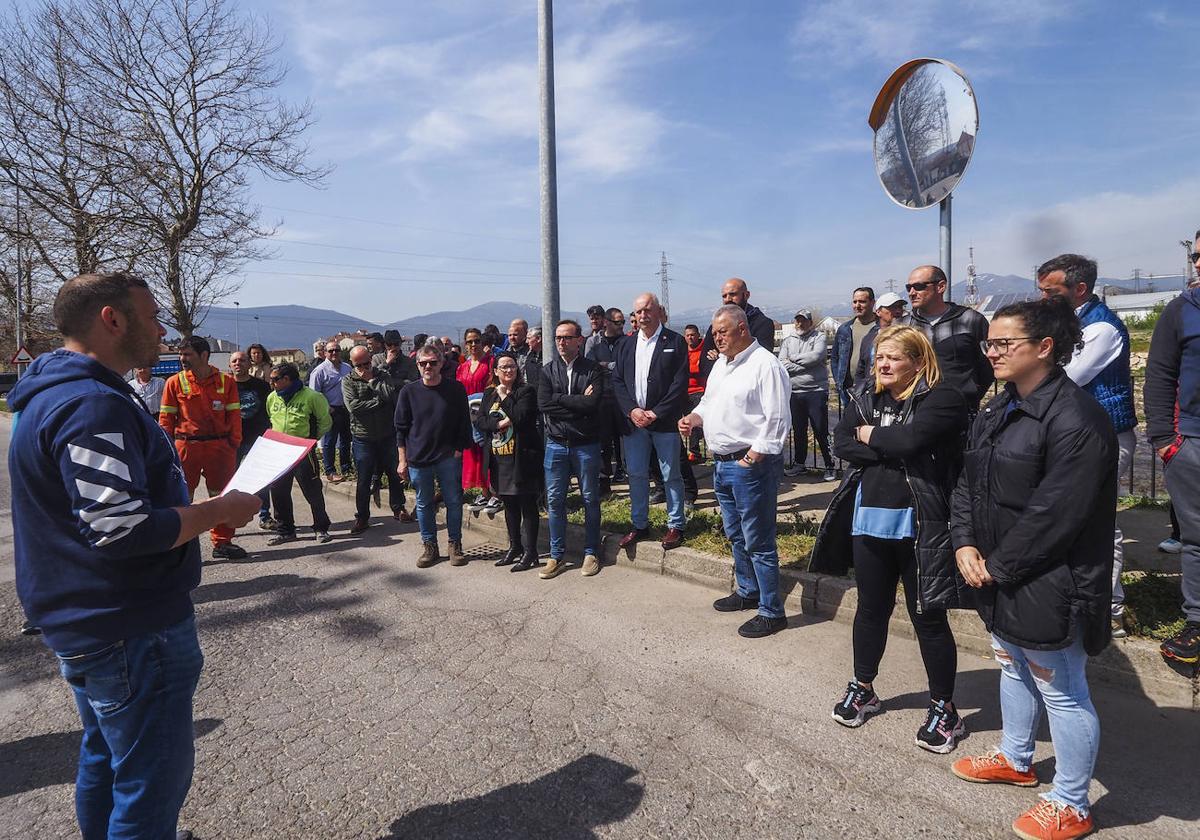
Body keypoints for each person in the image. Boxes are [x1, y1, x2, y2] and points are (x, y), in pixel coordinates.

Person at [8, 271, 260, 840]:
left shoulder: (62, 394)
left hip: (95, 621)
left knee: (107, 758)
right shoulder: (89, 406)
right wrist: (218, 511)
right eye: (151, 316)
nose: (162, 327)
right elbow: (122, 530)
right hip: (127, 626)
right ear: (111, 320)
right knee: (149, 785)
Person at [949, 296, 1116, 840]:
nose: (991, 352)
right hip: (994, 571)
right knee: (1010, 665)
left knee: (1061, 689)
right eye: (989, 343)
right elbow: (968, 483)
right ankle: (1017, 758)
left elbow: (1057, 514)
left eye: (1004, 343)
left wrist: (996, 565)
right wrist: (964, 542)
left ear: (1045, 348)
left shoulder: (1077, 419)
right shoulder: (1000, 407)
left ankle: (1071, 801)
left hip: (1050, 577)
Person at [810, 325, 969, 752]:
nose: (882, 364)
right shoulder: (865, 398)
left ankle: (944, 708)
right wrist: (890, 446)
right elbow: (843, 441)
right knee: (870, 610)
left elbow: (915, 438)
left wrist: (879, 438)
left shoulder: (942, 398)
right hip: (869, 521)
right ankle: (864, 687)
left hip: (921, 525)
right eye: (880, 356)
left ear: (918, 362)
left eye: (894, 357)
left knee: (928, 618)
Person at [1037, 253, 1138, 638]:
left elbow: (1064, 377)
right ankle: (1074, 595)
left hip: (1104, 436)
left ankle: (1108, 607)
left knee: (1098, 522)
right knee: (1068, 518)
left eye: (1051, 291)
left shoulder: (1101, 329)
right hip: (1071, 436)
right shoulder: (1067, 322)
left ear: (1079, 289)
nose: (1044, 297)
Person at [679, 305, 791, 638]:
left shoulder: (765, 365)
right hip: (723, 464)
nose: (717, 338)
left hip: (750, 464)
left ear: (742, 328)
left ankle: (772, 610)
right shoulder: (722, 366)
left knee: (759, 539)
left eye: (722, 332)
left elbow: (777, 417)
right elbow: (710, 403)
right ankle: (747, 590)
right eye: (714, 332)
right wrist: (694, 418)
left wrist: (755, 455)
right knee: (736, 533)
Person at [1143, 246, 1200, 666]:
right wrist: (1165, 440)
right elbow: (1160, 375)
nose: (1198, 262)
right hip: (1192, 443)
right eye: (1196, 254)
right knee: (1197, 541)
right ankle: (1197, 622)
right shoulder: (1180, 311)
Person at [613, 292, 690, 551]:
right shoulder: (625, 345)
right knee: (636, 475)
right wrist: (632, 410)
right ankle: (639, 525)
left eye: (648, 310)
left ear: (659, 311)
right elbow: (618, 382)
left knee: (671, 475)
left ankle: (675, 525)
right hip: (634, 423)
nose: (642, 315)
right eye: (638, 312)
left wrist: (656, 412)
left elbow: (679, 384)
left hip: (664, 422)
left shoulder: (676, 342)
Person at [159, 335, 247, 560]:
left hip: (220, 448)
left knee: (221, 496)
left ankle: (222, 542)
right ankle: (182, 545)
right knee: (181, 497)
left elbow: (235, 415)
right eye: (181, 354)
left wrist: (233, 443)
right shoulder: (174, 382)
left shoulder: (226, 382)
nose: (182, 358)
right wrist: (167, 451)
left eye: (187, 354)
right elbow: (166, 420)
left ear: (204, 355)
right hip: (186, 447)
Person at [395, 342, 473, 568]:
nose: (428, 367)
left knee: (454, 501)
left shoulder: (455, 389)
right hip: (419, 458)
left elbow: (464, 422)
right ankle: (430, 546)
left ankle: (454, 544)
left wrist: (459, 449)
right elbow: (400, 428)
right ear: (417, 365)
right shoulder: (408, 392)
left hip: (449, 457)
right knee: (423, 504)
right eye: (423, 363)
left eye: (433, 362)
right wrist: (402, 460)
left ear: (441, 364)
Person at [538, 318, 605, 579]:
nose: (561, 342)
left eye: (567, 337)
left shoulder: (593, 370)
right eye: (558, 338)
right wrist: (576, 401)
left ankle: (590, 552)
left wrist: (561, 402)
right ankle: (556, 556)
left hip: (585, 445)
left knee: (590, 499)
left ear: (580, 340)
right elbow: (544, 404)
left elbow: (593, 404)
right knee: (554, 501)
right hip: (556, 445)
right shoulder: (546, 371)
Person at [474, 351, 544, 572]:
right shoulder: (488, 394)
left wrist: (505, 398)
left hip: (521, 458)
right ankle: (514, 546)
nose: (508, 370)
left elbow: (522, 417)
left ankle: (531, 551)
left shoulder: (526, 391)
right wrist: (499, 425)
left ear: (517, 369)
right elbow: (481, 421)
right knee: (509, 505)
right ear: (495, 371)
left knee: (527, 505)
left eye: (512, 366)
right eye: (503, 367)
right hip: (498, 460)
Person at [906, 265, 993, 413]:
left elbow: (988, 365)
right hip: (914, 411)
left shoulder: (971, 320)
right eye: (908, 288)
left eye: (919, 286)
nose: (912, 293)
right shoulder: (904, 325)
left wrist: (969, 395)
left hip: (960, 412)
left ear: (940, 287)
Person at [264, 362, 334, 545]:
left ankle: (321, 528)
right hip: (279, 451)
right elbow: (271, 420)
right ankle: (286, 531)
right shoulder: (272, 397)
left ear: (287, 379)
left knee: (312, 491)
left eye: (274, 379)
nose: (271, 383)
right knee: (278, 492)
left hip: (303, 451)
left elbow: (325, 421)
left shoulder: (312, 396)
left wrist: (310, 440)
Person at [343, 346, 410, 533]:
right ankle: (362, 517)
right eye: (360, 365)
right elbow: (354, 407)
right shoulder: (348, 381)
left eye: (367, 363)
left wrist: (372, 381)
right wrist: (378, 402)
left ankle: (399, 508)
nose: (365, 367)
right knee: (364, 479)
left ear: (371, 359)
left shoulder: (381, 375)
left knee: (394, 474)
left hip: (387, 434)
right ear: (352, 364)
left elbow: (390, 395)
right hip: (362, 437)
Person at [778, 309, 836, 481]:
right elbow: (781, 363)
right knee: (798, 430)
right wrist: (805, 364)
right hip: (794, 392)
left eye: (804, 321)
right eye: (797, 321)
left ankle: (830, 465)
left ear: (810, 323)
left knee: (820, 429)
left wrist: (793, 359)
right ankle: (799, 464)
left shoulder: (819, 337)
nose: (800, 324)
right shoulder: (788, 340)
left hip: (816, 391)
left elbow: (817, 356)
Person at [230, 350, 275, 532]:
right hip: (232, 440)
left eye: (242, 360)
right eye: (234, 361)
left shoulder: (261, 386)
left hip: (257, 438)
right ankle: (230, 518)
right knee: (230, 480)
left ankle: (265, 516)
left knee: (260, 479)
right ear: (230, 365)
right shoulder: (225, 386)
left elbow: (270, 410)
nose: (238, 364)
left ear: (250, 365)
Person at [698, 277, 777, 378]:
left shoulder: (763, 324)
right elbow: (704, 364)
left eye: (733, 294)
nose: (728, 299)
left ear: (746, 295)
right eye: (724, 296)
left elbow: (758, 361)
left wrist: (721, 358)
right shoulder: (716, 326)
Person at [586, 307, 629, 489]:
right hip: (602, 395)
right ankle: (604, 478)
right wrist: (610, 365)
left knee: (623, 437)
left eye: (622, 322)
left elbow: (628, 365)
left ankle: (622, 469)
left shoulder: (627, 342)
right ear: (607, 322)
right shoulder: (593, 341)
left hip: (622, 396)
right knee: (603, 439)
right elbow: (589, 366)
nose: (621, 326)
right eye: (617, 322)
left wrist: (607, 365)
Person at [457, 328, 498, 513]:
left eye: (477, 341)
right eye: (470, 341)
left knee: (489, 454)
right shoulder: (462, 366)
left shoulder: (490, 362)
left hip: (486, 414)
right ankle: (484, 492)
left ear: (482, 342)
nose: (473, 345)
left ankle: (496, 494)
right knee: (475, 456)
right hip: (468, 416)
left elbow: (494, 387)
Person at [309, 341, 353, 482]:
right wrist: (327, 408)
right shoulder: (319, 371)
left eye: (337, 350)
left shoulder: (347, 368)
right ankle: (330, 471)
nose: (334, 353)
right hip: (330, 411)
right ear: (325, 353)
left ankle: (347, 468)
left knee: (346, 440)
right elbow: (314, 394)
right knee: (330, 442)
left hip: (346, 409)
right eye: (331, 350)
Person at [831, 287, 878, 407]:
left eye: (862, 301)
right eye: (854, 302)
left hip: (873, 388)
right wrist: (838, 382)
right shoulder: (845, 329)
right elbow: (835, 358)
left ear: (872, 303)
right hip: (848, 390)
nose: (857, 305)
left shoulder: (882, 328)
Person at [853, 292, 909, 388]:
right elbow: (861, 370)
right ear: (878, 311)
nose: (898, 311)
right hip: (873, 392)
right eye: (892, 307)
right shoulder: (869, 338)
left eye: (900, 307)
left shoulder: (909, 337)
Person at [506, 318, 541, 385]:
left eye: (515, 335)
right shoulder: (506, 353)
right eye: (510, 335)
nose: (512, 338)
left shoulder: (532, 352)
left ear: (524, 334)